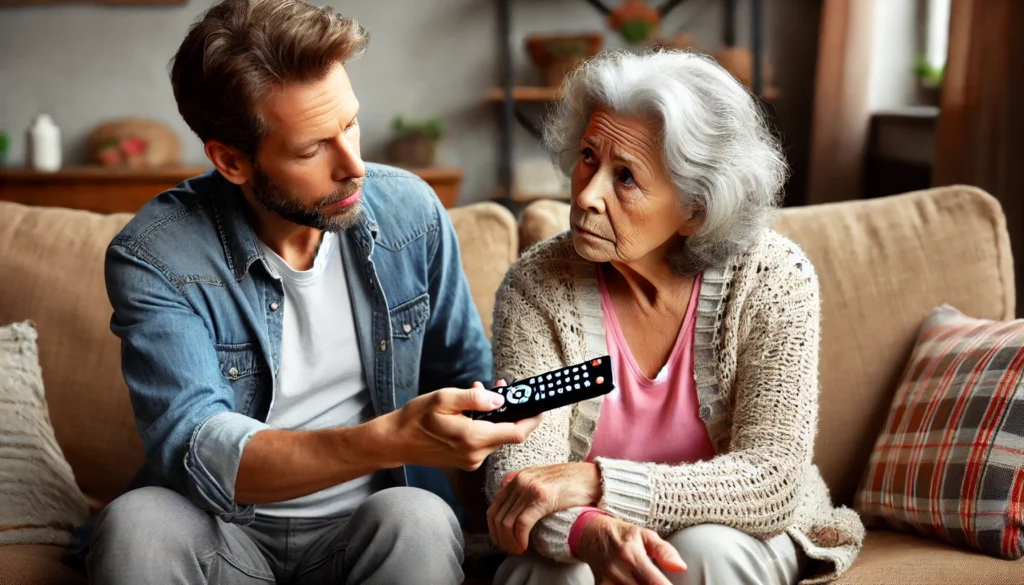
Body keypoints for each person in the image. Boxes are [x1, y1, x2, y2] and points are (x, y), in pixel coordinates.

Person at [85, 1, 539, 583]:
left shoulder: (411, 213)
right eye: (311, 149)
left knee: (419, 516)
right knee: (136, 523)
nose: (354, 166)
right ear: (231, 161)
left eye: (350, 123)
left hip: (367, 529)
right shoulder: (156, 255)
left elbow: (467, 377)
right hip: (221, 532)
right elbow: (198, 444)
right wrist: (385, 440)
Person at [483, 49, 865, 585]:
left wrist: (597, 484)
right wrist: (591, 529)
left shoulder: (771, 279)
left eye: (625, 177)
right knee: (553, 573)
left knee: (703, 551)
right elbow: (523, 480)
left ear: (695, 209)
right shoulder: (538, 289)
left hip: (738, 534)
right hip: (583, 531)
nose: (588, 194)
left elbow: (772, 479)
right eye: (589, 157)